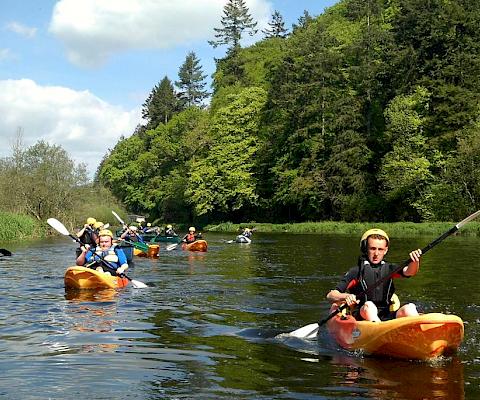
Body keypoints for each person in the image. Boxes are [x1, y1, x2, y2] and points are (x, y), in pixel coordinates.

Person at [326, 228, 422, 322]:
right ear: (365, 249)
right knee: (369, 306)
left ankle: (420, 332)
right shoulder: (356, 272)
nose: (376, 253)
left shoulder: (390, 269)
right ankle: (379, 331)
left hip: (387, 315)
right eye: (372, 249)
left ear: (385, 250)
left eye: (380, 249)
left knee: (410, 308)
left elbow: (409, 272)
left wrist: (415, 261)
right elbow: (331, 295)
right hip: (362, 315)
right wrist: (346, 296)